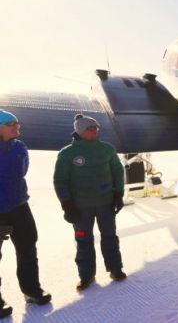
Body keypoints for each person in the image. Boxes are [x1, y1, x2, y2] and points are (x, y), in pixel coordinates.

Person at [53, 114, 126, 292]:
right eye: (90, 128)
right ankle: (86, 276)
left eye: (96, 128)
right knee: (83, 240)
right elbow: (60, 180)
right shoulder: (67, 153)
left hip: (105, 204)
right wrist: (67, 204)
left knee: (110, 236)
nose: (94, 131)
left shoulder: (107, 149)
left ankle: (115, 269)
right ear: (80, 131)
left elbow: (117, 171)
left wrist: (118, 194)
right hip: (80, 207)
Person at [0, 110, 52, 317]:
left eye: (17, 122)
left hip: (20, 206)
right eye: (11, 123)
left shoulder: (20, 147)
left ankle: (31, 290)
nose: (17, 125)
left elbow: (22, 173)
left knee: (28, 248)